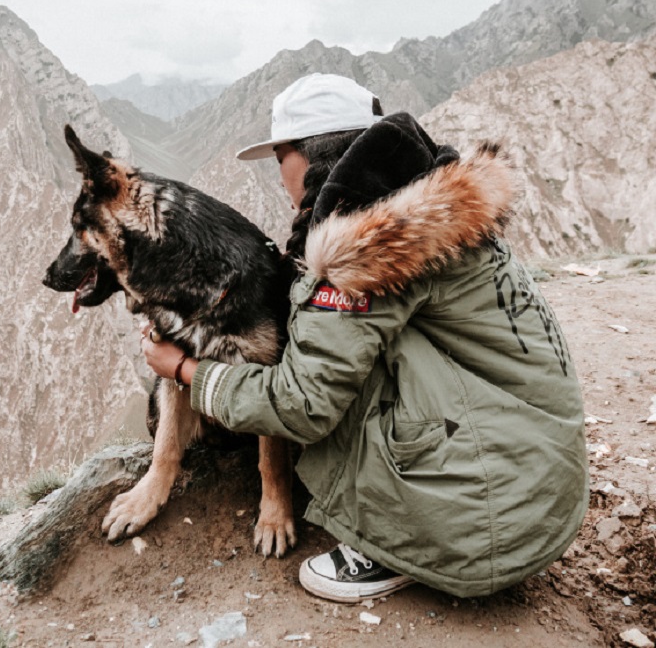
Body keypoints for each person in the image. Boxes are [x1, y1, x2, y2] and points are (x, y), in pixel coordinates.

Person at [142, 73, 589, 603]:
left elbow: (301, 404)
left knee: (324, 382)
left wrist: (184, 370)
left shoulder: (362, 249)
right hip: (544, 492)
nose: (280, 178)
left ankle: (396, 544)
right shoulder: (432, 205)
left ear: (308, 156)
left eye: (281, 157)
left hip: (484, 535)